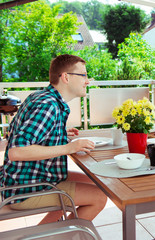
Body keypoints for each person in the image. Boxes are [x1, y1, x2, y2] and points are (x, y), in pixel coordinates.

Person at [1, 54, 107, 224]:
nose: (87, 81)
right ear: (65, 77)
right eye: (83, 75)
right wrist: (69, 147)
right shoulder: (48, 106)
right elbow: (16, 151)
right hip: (26, 188)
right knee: (99, 196)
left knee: (99, 183)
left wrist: (59, 132)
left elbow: (26, 131)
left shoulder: (43, 97)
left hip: (31, 177)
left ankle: (46, 233)